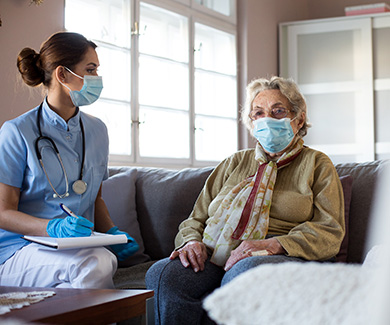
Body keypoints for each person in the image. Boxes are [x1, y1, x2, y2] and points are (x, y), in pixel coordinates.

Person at [146, 76, 345, 324]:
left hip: (280, 254)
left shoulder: (317, 163)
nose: (267, 119)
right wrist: (190, 242)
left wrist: (272, 245)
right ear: (251, 122)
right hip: (216, 253)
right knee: (165, 274)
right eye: (258, 113)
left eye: (278, 111)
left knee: (245, 272)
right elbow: (196, 218)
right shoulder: (235, 162)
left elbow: (330, 230)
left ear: (299, 119)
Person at [0, 31, 139, 289]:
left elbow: (94, 198)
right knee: (95, 263)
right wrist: (53, 227)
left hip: (75, 249)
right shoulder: (16, 131)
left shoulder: (97, 131)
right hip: (19, 249)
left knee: (100, 261)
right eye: (90, 69)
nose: (97, 78)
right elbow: (3, 212)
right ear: (62, 75)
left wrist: (111, 233)